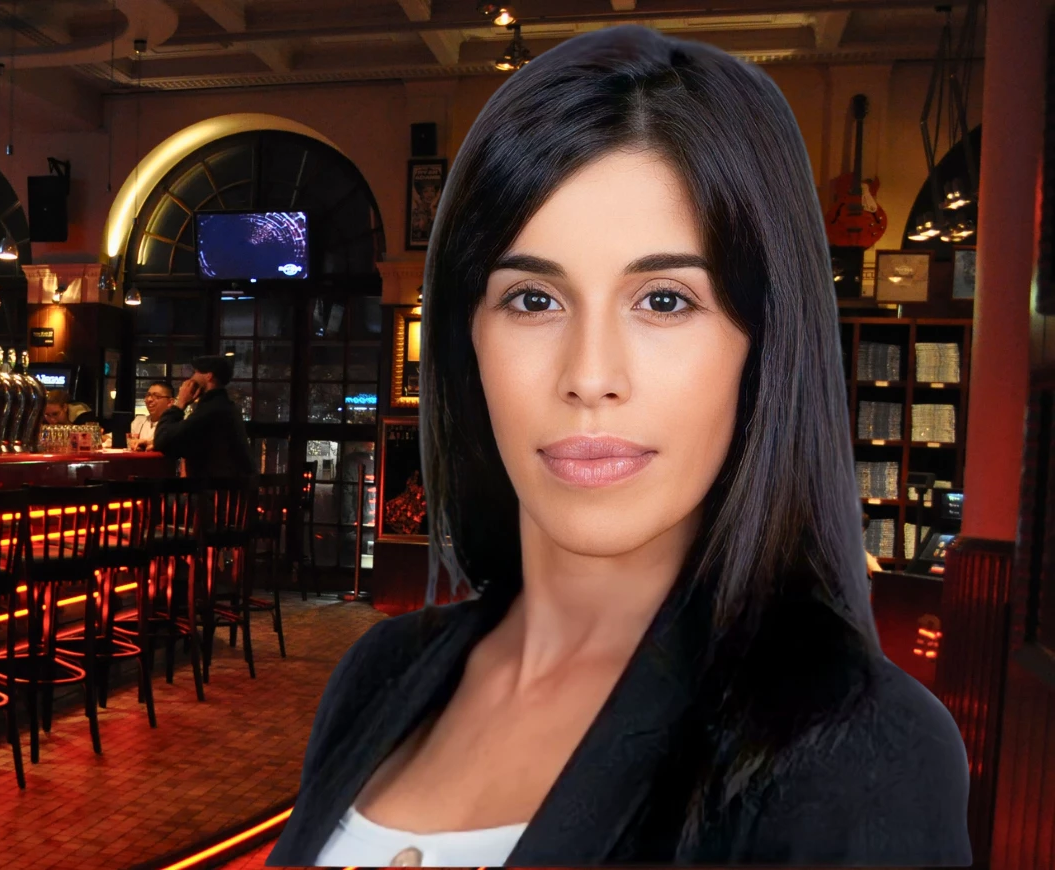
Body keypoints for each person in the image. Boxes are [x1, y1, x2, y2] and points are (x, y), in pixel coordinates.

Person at [270, 25, 968, 868]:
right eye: (532, 299)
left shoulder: (858, 753)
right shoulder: (378, 673)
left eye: (665, 301)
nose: (590, 376)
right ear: (468, 343)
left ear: (763, 344)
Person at [153, 355, 254, 481]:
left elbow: (163, 442)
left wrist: (180, 404)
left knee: (149, 496)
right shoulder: (223, 406)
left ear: (209, 376)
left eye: (196, 372)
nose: (191, 378)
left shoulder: (211, 410)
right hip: (229, 492)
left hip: (212, 494)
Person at [129, 381, 176, 450]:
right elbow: (121, 438)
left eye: (156, 396)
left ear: (170, 402)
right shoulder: (139, 421)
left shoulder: (174, 424)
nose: (149, 399)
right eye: (148, 395)